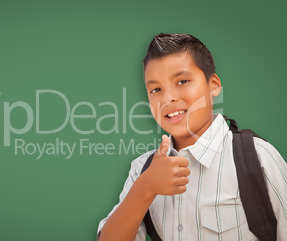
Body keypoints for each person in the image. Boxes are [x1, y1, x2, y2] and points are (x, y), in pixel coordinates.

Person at [96, 33, 287, 241]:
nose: (168, 98)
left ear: (213, 85)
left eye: (182, 81)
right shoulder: (143, 170)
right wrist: (145, 188)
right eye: (156, 89)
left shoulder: (258, 157)